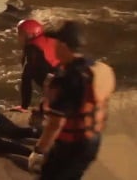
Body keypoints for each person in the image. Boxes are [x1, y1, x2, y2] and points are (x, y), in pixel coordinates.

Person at [28, 21, 115, 179]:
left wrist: (39, 150)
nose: (53, 46)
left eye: (56, 43)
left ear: (63, 45)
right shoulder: (97, 68)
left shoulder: (67, 79)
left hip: (72, 144)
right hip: (93, 141)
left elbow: (55, 124)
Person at [11, 19, 60, 113]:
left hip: (59, 87)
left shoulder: (32, 48)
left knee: (27, 72)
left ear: (28, 35)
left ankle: (25, 107)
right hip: (69, 81)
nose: (18, 37)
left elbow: (29, 77)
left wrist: (25, 105)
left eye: (20, 34)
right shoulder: (51, 38)